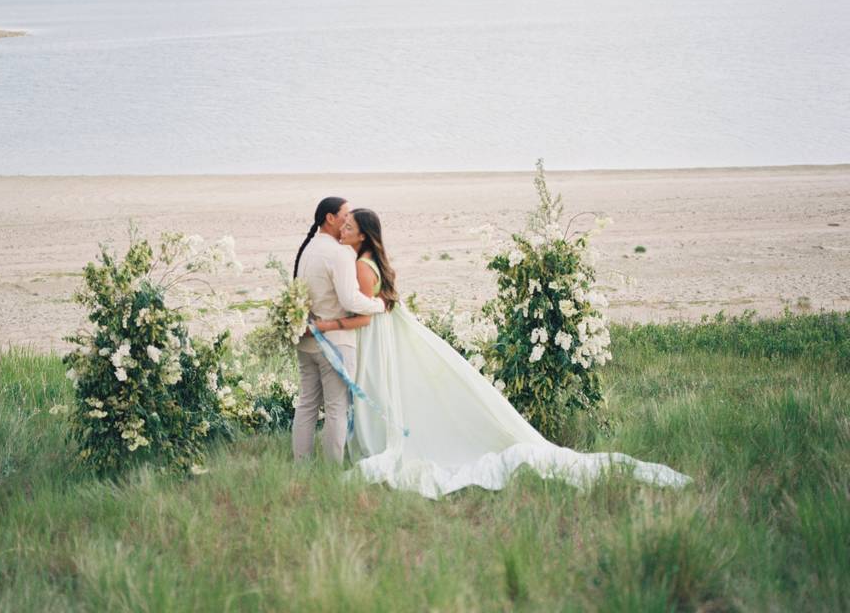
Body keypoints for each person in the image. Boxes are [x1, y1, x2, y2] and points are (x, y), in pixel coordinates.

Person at [311, 208, 692, 500]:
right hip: (383, 336)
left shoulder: (362, 266)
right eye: (341, 226)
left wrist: (327, 326)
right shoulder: (372, 261)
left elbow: (364, 316)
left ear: (363, 234)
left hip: (376, 340)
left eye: (348, 228)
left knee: (376, 395)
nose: (342, 230)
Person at [292, 197, 386, 463]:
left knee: (307, 404)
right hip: (334, 342)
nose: (348, 220)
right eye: (344, 215)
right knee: (337, 409)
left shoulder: (308, 249)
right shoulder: (340, 252)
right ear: (330, 218)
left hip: (306, 338)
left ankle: (301, 465)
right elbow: (350, 300)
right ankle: (331, 469)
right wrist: (379, 305)